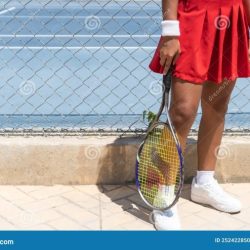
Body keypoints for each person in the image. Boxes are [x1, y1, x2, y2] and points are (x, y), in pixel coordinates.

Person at [149, 0, 250, 230]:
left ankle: (203, 183)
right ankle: (164, 194)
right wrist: (170, 33)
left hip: (232, 16)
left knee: (217, 106)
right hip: (192, 16)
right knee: (182, 112)